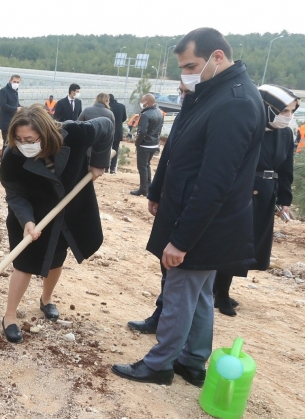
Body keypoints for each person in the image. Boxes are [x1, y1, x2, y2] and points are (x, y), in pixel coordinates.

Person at [112, 27, 265, 387]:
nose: (187, 74)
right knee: (198, 294)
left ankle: (160, 364)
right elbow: (181, 147)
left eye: (192, 65)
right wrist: (159, 190)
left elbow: (215, 182)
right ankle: (193, 360)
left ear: (217, 56)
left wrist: (181, 240)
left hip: (206, 223)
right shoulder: (213, 93)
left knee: (181, 290)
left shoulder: (236, 102)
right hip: (191, 212)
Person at [0, 106, 112, 343]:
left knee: (57, 257)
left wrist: (99, 162)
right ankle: (9, 316)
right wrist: (28, 222)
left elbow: (108, 124)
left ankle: (46, 300)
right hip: (34, 214)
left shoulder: (76, 133)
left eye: (29, 139)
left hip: (68, 211)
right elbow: (15, 194)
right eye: (18, 139)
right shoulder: (12, 157)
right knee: (24, 263)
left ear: (46, 133)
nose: (23, 143)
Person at [212, 84, 298, 316]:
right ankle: (219, 292)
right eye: (284, 111)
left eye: (291, 112)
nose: (288, 117)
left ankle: (221, 288)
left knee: (248, 245)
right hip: (240, 192)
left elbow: (286, 169)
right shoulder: (246, 129)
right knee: (231, 242)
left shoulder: (285, 133)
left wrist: (284, 199)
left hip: (266, 195)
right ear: (268, 108)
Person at [126, 83, 192, 335]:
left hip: (188, 206)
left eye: (186, 92)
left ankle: (172, 332)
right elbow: (169, 156)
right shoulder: (179, 116)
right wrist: (155, 192)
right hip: (171, 198)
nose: (182, 96)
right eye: (181, 91)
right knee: (167, 270)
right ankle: (162, 315)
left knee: (183, 277)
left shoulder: (216, 116)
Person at [130, 94, 164, 196]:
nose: (141, 102)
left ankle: (143, 189)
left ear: (147, 102)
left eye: (142, 101)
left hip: (145, 145)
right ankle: (148, 187)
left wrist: (137, 143)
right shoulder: (159, 112)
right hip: (154, 143)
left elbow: (142, 132)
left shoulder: (145, 114)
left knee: (142, 167)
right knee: (147, 165)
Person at [0, 75, 21, 146]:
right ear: (10, 81)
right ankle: (4, 157)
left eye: (18, 82)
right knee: (7, 143)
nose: (16, 84)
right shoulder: (3, 91)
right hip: (6, 122)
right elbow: (3, 105)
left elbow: (17, 104)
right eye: (14, 82)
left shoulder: (15, 92)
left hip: (14, 122)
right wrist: (16, 109)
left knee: (13, 144)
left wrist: (22, 108)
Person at [108, 93, 127, 173]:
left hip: (108, 130)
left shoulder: (107, 107)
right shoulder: (122, 106)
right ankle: (112, 169)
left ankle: (105, 167)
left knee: (107, 149)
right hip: (118, 130)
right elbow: (124, 118)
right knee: (115, 149)